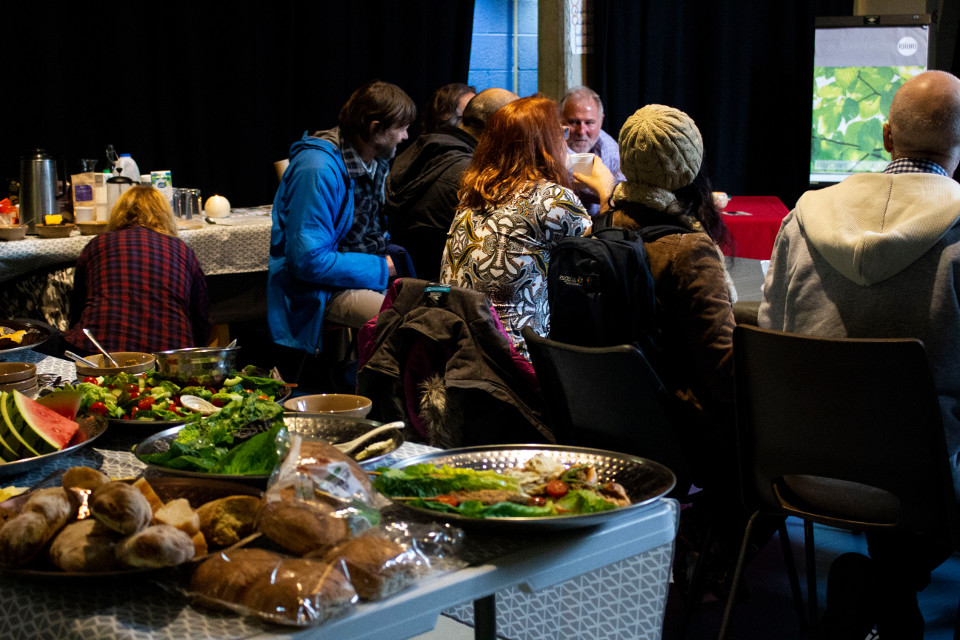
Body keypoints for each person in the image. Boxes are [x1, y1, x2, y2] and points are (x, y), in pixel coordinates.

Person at [759, 70, 960, 639]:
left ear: (886, 136)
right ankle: (883, 587)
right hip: (927, 489)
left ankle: (875, 592)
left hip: (800, 471)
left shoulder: (802, 218)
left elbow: (772, 335)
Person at [595, 104, 747, 599]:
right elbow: (723, 374)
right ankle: (710, 550)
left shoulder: (600, 230)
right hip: (682, 431)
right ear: (688, 167)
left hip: (611, 421)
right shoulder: (689, 249)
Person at [439, 95, 614, 358]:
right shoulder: (550, 198)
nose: (565, 141)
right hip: (517, 362)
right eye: (561, 133)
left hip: (458, 350)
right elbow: (608, 257)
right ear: (545, 144)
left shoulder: (473, 192)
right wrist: (606, 190)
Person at [268, 80, 416, 355]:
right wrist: (381, 268)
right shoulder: (317, 169)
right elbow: (308, 262)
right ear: (375, 128)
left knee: (442, 313)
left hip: (362, 277)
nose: (406, 136)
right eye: (401, 128)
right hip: (319, 291)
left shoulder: (374, 160)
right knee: (409, 325)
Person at [386, 87, 519, 280]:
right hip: (446, 289)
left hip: (407, 286)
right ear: (500, 129)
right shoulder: (472, 176)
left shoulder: (420, 150)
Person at [65, 185, 210, 353]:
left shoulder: (97, 244)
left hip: (100, 351)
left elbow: (77, 308)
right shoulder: (183, 251)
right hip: (168, 357)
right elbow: (201, 316)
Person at [561, 86, 626, 215]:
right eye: (574, 122)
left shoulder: (607, 144)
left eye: (589, 122)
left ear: (601, 121)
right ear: (560, 119)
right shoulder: (552, 143)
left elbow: (623, 189)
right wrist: (604, 184)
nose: (582, 131)